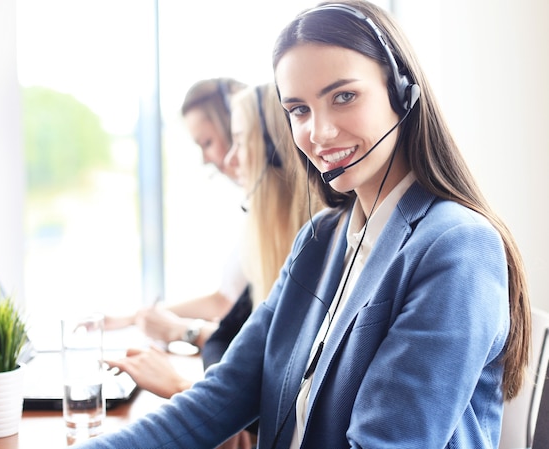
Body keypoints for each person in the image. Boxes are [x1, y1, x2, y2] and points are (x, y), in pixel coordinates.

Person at [73, 2, 531, 448]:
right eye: (298, 110)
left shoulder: (456, 248)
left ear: (401, 93)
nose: (319, 132)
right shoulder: (319, 240)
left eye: (343, 96)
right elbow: (218, 400)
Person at [104, 83, 324, 448]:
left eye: (234, 141)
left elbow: (298, 409)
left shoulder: (319, 246)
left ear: (275, 150)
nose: (227, 159)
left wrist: (183, 386)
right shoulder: (296, 241)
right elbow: (243, 341)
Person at [105, 78, 248, 351]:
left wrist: (182, 330)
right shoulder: (253, 208)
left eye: (207, 142)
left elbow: (261, 341)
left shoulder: (285, 216)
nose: (207, 159)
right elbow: (224, 299)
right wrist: (135, 318)